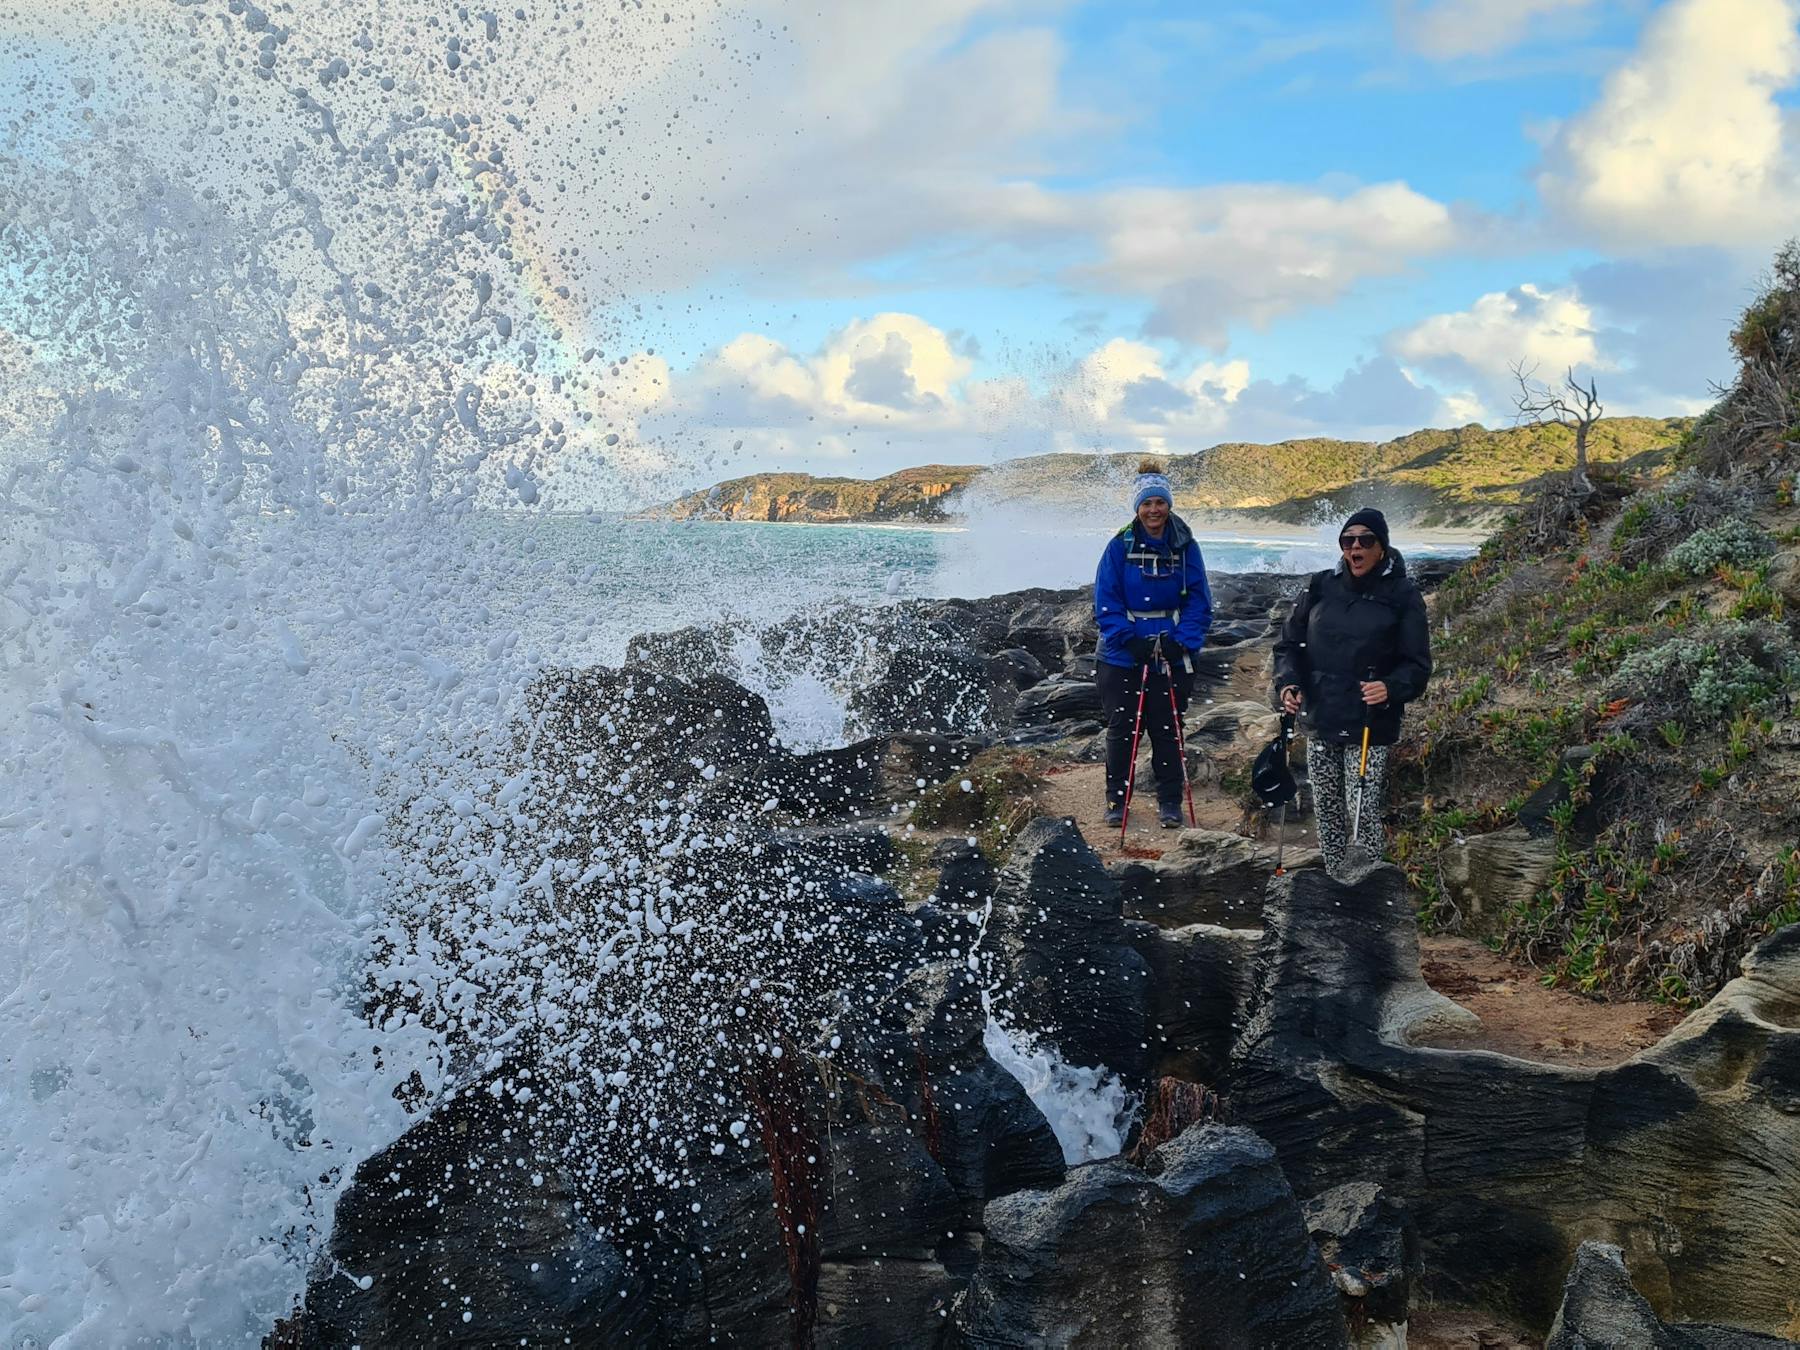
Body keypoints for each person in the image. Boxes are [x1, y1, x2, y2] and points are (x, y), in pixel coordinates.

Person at [1271, 507, 1432, 874]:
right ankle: (1333, 881)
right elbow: (1289, 645)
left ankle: (1368, 886)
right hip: (1321, 716)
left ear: (1382, 548)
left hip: (1370, 724)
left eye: (1365, 540)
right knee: (1327, 810)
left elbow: (1417, 664)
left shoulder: (1403, 595)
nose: (1355, 547)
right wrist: (1289, 683)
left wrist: (1391, 687)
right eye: (1348, 540)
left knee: (1361, 809)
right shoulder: (1320, 586)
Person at [1094, 459, 1214, 829]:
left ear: (1169, 504)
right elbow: (1105, 602)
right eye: (1146, 503)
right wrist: (1129, 641)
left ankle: (1169, 802)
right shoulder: (1119, 546)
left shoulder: (1186, 546)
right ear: (1137, 508)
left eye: (1159, 502)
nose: (1154, 510)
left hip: (1172, 654)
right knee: (1122, 730)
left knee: (1168, 728)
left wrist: (1183, 642)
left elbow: (1199, 601)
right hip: (1121, 654)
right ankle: (1117, 801)